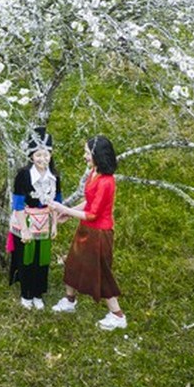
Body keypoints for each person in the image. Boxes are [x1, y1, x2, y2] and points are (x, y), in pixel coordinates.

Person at [47, 135, 126, 330]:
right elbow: (88, 203)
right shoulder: (94, 173)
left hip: (99, 233)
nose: (84, 156)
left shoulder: (107, 182)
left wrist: (64, 210)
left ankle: (117, 316)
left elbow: (92, 214)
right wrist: (69, 213)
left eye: (87, 153)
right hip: (87, 228)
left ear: (97, 155)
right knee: (73, 262)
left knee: (101, 273)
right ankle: (69, 300)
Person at [7, 128, 61, 309]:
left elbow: (56, 202)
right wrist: (24, 229)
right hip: (27, 219)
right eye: (38, 155)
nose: (42, 159)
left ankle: (38, 293)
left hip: (45, 221)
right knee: (26, 258)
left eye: (46, 155)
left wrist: (55, 225)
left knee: (42, 258)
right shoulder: (23, 175)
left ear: (50, 155)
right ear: (31, 156)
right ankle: (26, 294)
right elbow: (18, 204)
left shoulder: (54, 177)